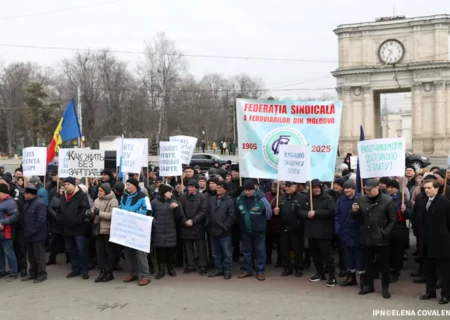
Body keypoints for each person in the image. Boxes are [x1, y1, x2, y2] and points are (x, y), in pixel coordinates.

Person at [351, 179, 397, 299]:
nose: (367, 192)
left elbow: (393, 220)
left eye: (370, 190)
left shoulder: (388, 201)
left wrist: (385, 233)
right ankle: (368, 285)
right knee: (368, 263)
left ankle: (385, 287)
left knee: (384, 265)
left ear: (377, 188)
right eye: (366, 190)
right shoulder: (361, 200)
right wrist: (354, 212)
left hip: (381, 239)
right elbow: (358, 218)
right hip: (366, 237)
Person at [416, 180, 450, 305]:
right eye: (425, 188)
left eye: (429, 188)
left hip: (442, 243)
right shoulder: (424, 201)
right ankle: (430, 291)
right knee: (428, 270)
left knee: (444, 272)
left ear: (437, 189)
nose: (427, 190)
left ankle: (446, 295)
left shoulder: (444, 202)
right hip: (426, 242)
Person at [300, 179, 336, 287]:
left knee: (327, 255)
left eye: (317, 188)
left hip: (324, 232)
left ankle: (332, 276)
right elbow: (300, 211)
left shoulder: (328, 198)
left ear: (320, 188)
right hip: (311, 231)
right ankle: (319, 273)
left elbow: (332, 211)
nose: (316, 190)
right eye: (314, 188)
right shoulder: (307, 198)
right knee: (315, 255)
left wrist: (316, 213)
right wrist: (307, 214)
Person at [236, 180, 272, 281]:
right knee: (247, 251)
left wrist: (260, 223)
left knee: (260, 251)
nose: (247, 192)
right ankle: (247, 270)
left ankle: (260, 271)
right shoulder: (239, 199)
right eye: (245, 190)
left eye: (249, 190)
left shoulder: (261, 199)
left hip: (258, 231)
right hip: (245, 231)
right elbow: (238, 212)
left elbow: (268, 213)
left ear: (254, 189)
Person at [121, 178, 152, 286]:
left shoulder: (143, 197)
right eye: (126, 184)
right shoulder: (124, 196)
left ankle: (145, 275)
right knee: (128, 252)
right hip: (127, 228)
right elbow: (121, 208)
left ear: (135, 185)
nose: (127, 186)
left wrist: (135, 214)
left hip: (139, 229)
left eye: (128, 184)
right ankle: (133, 273)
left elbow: (148, 210)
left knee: (140, 253)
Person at [59, 177, 91, 280]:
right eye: (65, 184)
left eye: (68, 184)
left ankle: (84, 270)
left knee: (81, 250)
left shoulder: (81, 195)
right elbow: (61, 209)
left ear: (74, 185)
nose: (66, 186)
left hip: (78, 228)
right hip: (67, 228)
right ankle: (75, 269)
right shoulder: (63, 196)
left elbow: (84, 210)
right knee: (71, 250)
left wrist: (77, 220)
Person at [335, 180, 364, 287]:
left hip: (358, 233)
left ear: (354, 189)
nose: (346, 190)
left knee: (360, 257)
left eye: (349, 188)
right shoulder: (340, 200)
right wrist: (338, 229)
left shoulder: (361, 199)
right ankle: (351, 277)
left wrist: (357, 212)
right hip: (345, 233)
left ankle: (362, 278)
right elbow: (337, 215)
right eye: (345, 188)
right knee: (348, 256)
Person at [274, 181, 306, 277]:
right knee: (284, 250)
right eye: (286, 186)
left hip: (296, 229)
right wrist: (276, 211)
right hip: (284, 228)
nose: (287, 188)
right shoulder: (282, 198)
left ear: (295, 187)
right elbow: (278, 212)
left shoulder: (302, 198)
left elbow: (304, 213)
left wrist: (298, 224)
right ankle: (287, 268)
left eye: (290, 186)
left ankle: (299, 268)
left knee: (297, 250)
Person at [206, 181, 236, 279]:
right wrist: (208, 223)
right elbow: (207, 212)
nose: (218, 189)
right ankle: (218, 269)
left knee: (226, 253)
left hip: (224, 231)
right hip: (213, 230)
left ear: (225, 189)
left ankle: (227, 270)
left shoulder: (229, 200)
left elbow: (231, 216)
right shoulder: (211, 199)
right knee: (215, 253)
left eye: (220, 187)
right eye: (217, 187)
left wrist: (224, 226)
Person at [385, 179, 413, 283]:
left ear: (397, 188)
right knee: (387, 252)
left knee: (398, 253)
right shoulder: (383, 198)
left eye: (391, 187)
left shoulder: (403, 199)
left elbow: (410, 215)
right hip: (386, 228)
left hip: (399, 228)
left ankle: (395, 271)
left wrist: (405, 210)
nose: (389, 189)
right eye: (388, 187)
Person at [152, 184, 181, 279]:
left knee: (170, 252)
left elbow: (179, 217)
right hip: (158, 230)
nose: (171, 194)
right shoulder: (154, 202)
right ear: (164, 192)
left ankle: (170, 268)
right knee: (160, 251)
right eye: (169, 192)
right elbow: (150, 215)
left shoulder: (174, 202)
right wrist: (155, 223)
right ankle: (161, 270)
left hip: (170, 230)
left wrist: (177, 208)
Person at [179, 180, 208, 275]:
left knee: (201, 247)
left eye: (192, 187)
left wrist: (193, 220)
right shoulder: (183, 197)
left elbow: (203, 211)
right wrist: (185, 220)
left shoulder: (202, 197)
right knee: (188, 247)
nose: (190, 189)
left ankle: (203, 266)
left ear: (196, 188)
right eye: (189, 187)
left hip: (198, 225)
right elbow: (180, 210)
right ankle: (190, 265)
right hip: (186, 225)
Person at [92, 183, 119, 283]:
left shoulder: (113, 200)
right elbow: (93, 211)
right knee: (100, 252)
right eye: (98, 190)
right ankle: (102, 271)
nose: (99, 192)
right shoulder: (96, 200)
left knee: (109, 252)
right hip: (98, 229)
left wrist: (98, 213)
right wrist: (90, 214)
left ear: (106, 191)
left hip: (108, 230)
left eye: (101, 191)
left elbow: (113, 215)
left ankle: (109, 272)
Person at [21, 186, 47, 283]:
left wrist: (32, 231)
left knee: (39, 256)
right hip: (29, 234)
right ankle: (32, 273)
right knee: (31, 256)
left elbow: (41, 220)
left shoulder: (39, 203)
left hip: (37, 235)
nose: (24, 195)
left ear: (31, 194)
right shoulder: (27, 203)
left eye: (25, 193)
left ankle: (42, 274)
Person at [0, 183, 19, 281]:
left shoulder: (10, 202)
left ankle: (13, 272)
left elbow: (15, 216)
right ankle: (2, 271)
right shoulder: (1, 201)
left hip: (6, 233)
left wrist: (3, 222)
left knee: (9, 253)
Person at [47, 185, 67, 265]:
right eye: (61, 188)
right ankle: (52, 259)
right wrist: (55, 215)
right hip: (56, 223)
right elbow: (50, 208)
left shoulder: (68, 198)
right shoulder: (55, 198)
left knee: (67, 243)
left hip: (65, 223)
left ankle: (69, 259)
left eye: (63, 188)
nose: (62, 189)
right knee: (54, 242)